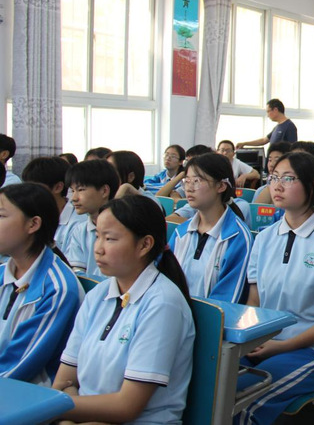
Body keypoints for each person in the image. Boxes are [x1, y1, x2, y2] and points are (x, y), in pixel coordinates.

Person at [53, 196, 195, 423]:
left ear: (144, 245)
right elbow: (64, 382)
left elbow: (126, 407)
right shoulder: (97, 295)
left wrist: (58, 408)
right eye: (97, 236)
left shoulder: (163, 303)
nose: (98, 249)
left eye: (109, 239)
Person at [239, 152, 314, 423]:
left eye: (288, 179)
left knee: (244, 404)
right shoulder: (264, 238)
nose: (277, 186)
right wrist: (247, 339)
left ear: (313, 186)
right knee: (215, 387)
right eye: (274, 177)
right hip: (264, 342)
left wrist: (282, 346)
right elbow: (254, 301)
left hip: (312, 351)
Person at [0, 183, 82, 386]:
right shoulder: (3, 273)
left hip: (29, 392)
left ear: (33, 224)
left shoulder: (57, 288)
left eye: (1, 216)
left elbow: (19, 366)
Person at [169, 153, 252, 303]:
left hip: (214, 317)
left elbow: (226, 302)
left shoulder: (238, 238)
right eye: (187, 181)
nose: (189, 188)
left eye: (197, 181)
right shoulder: (180, 233)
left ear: (221, 186)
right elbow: (166, 281)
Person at [63, 160, 120, 277]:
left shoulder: (123, 229)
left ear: (104, 191)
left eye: (80, 190)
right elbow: (77, 273)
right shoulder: (80, 230)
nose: (74, 198)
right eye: (73, 191)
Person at [21, 156, 86, 252]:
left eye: (34, 188)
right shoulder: (31, 216)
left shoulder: (79, 223)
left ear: (58, 187)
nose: (28, 193)